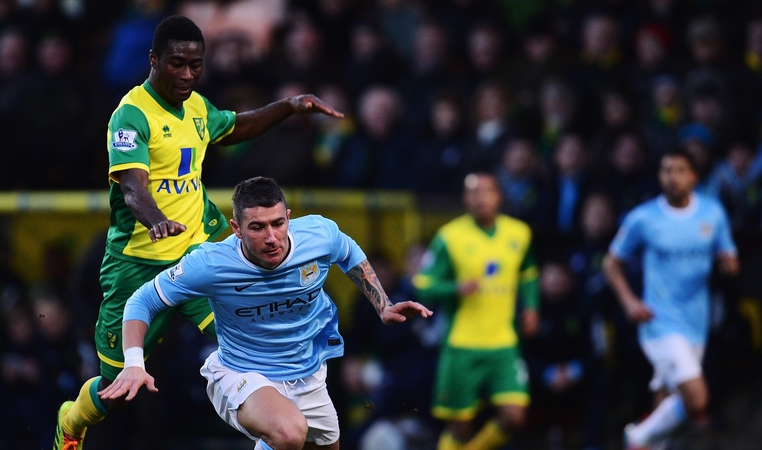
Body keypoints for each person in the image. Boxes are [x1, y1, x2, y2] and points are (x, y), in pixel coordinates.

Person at [53, 15, 344, 450]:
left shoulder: (196, 105)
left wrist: (286, 107)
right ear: (153, 60)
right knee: (116, 392)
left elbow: (232, 127)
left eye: (196, 64)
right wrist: (157, 222)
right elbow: (133, 188)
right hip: (139, 265)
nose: (187, 74)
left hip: (201, 255)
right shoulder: (131, 116)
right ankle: (70, 423)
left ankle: (282, 434)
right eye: (176, 64)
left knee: (260, 344)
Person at [98, 176, 434, 450]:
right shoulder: (211, 263)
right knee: (289, 433)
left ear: (288, 217)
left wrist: (383, 305)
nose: (271, 237)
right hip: (241, 372)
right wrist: (133, 363)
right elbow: (142, 300)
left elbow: (349, 253)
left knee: (311, 440)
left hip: (309, 374)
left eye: (277, 223)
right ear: (237, 229)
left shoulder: (319, 234)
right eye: (257, 228)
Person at [602, 149, 739, 449]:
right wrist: (629, 302)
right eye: (666, 170)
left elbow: (728, 253)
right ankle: (636, 437)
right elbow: (611, 263)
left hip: (696, 322)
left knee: (667, 402)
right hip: (659, 322)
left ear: (694, 177)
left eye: (679, 170)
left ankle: (651, 441)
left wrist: (728, 263)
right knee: (697, 398)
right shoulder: (644, 218)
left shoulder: (712, 213)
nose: (672, 177)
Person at [412, 172, 540, 450]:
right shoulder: (450, 237)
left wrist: (531, 307)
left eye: (486, 191)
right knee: (460, 426)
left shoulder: (519, 233)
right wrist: (454, 288)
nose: (480, 197)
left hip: (504, 343)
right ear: (464, 199)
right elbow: (423, 284)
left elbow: (528, 273)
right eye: (473, 192)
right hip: (462, 344)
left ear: (499, 196)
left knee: (514, 415)